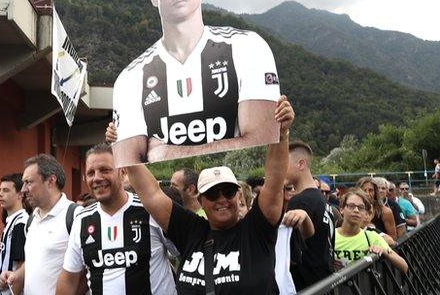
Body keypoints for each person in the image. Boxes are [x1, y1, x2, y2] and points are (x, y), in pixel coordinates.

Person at [111, 0, 281, 166]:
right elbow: (127, 169)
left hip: (235, 196)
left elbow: (264, 145)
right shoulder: (130, 78)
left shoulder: (248, 47)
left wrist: (170, 153)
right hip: (168, 200)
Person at [122, 95, 292, 294]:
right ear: (201, 200)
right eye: (212, 194)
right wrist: (124, 145)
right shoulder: (191, 231)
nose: (222, 199)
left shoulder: (255, 231)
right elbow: (151, 193)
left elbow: (274, 182)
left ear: (238, 196)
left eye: (228, 192)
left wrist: (281, 133)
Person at [56, 143, 176, 295]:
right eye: (91, 173)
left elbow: (185, 254)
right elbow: (68, 278)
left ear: (122, 172)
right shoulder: (82, 220)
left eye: (105, 170)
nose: (97, 178)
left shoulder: (149, 210)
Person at [0, 154, 82, 295]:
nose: (23, 189)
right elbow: (33, 261)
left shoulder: (76, 216)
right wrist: (17, 275)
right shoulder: (31, 220)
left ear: (50, 181)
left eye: (29, 182)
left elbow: (87, 272)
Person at [285, 141, 336, 291]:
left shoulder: (301, 201)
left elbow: (291, 252)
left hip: (306, 284)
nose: (279, 169)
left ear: (301, 164)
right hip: (324, 280)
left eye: (283, 163)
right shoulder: (321, 199)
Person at [334, 189, 408, 274]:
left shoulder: (371, 237)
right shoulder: (330, 236)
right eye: (351, 206)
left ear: (366, 213)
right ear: (341, 209)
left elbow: (404, 267)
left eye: (361, 208)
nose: (356, 210)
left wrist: (383, 250)